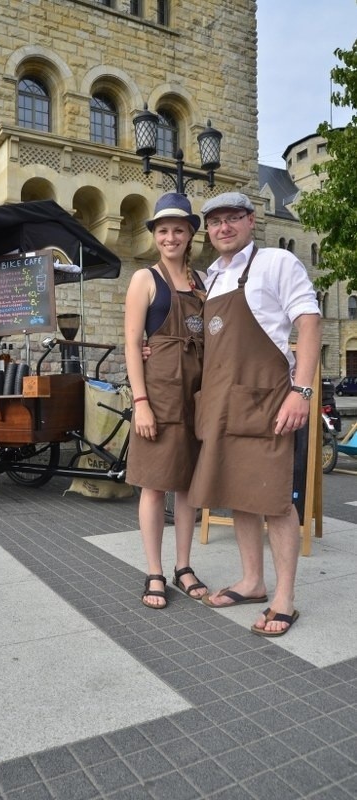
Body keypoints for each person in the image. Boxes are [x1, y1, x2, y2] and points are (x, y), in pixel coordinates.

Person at [187, 191, 322, 636]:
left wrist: (300, 392)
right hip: (225, 403)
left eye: (233, 219)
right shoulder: (213, 277)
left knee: (275, 498)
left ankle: (284, 597)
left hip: (268, 400)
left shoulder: (277, 264)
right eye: (215, 222)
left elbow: (309, 322)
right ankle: (252, 581)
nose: (223, 228)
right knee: (240, 492)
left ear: (251, 220)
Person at [125, 192, 208, 609]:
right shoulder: (145, 279)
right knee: (155, 486)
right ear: (155, 236)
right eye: (163, 230)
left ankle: (184, 565)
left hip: (196, 399)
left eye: (178, 229)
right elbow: (131, 344)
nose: (170, 237)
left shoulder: (202, 283)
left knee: (189, 487)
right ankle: (155, 570)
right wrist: (140, 400)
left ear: (190, 233)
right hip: (157, 398)